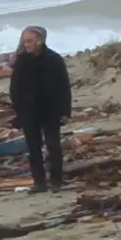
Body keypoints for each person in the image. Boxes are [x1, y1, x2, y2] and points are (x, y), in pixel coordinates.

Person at [9, 25, 71, 192]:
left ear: (40, 40)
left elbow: (64, 88)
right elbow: (15, 89)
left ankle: (57, 180)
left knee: (53, 145)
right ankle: (39, 182)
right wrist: (18, 112)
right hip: (29, 111)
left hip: (51, 110)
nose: (26, 45)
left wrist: (65, 111)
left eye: (30, 41)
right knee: (33, 147)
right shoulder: (22, 62)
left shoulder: (54, 59)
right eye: (24, 42)